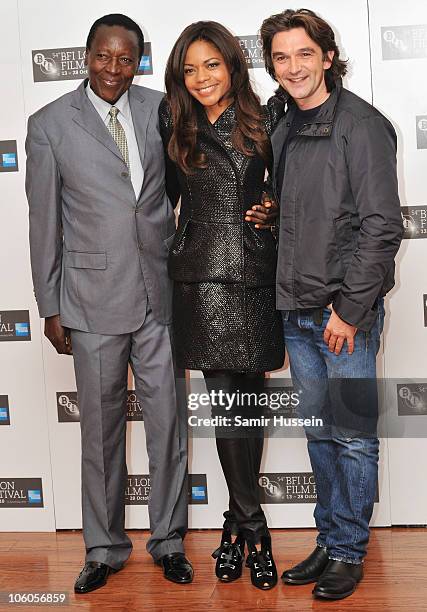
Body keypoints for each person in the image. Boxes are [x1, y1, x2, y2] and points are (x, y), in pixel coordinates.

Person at [26, 13, 193, 594]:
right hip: (91, 301)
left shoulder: (161, 108)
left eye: (126, 59)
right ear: (86, 55)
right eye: (104, 56)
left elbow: (183, 189)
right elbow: (43, 223)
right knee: (99, 433)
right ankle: (103, 547)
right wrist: (50, 304)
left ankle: (168, 540)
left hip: (159, 294)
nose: (114, 70)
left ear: (139, 60)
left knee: (168, 425)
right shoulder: (49, 125)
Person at [260, 8, 403, 601]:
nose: (292, 67)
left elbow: (381, 227)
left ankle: (349, 549)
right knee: (322, 434)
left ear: (326, 56)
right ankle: (330, 539)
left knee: (351, 436)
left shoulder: (361, 125)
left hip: (342, 311)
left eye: (303, 54)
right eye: (280, 57)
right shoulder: (284, 125)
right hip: (296, 308)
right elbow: (309, 209)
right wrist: (273, 214)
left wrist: (349, 309)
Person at [159, 21, 285, 591]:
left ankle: (236, 524)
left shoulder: (270, 117)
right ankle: (255, 527)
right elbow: (159, 200)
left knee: (247, 404)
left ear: (233, 64)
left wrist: (274, 211)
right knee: (227, 399)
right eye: (190, 69)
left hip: (256, 277)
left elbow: (294, 187)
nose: (202, 78)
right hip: (202, 282)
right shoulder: (174, 122)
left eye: (212, 64)